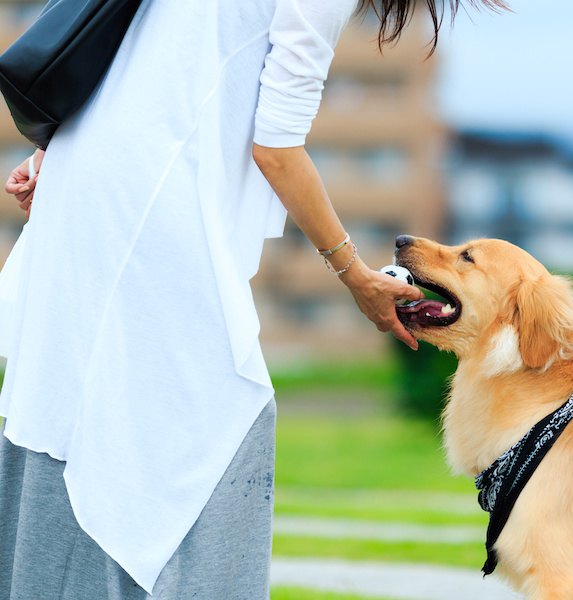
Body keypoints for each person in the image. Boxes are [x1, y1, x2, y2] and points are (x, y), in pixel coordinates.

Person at [0, 0, 504, 598]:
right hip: (153, 203)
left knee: (82, 408)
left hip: (93, 173)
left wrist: (63, 157)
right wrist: (355, 276)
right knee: (216, 423)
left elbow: (124, 48)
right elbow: (276, 149)